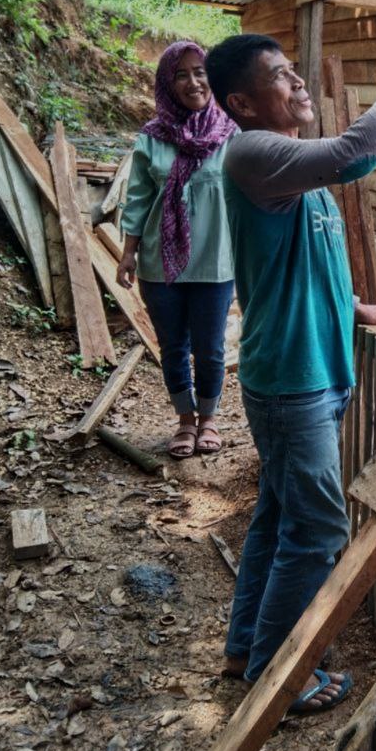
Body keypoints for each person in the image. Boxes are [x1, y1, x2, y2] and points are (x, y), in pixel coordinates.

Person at [204, 10, 376, 711]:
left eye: (293, 70)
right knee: (317, 530)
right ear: (243, 103)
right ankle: (278, 680)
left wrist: (353, 305)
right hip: (292, 381)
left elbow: (307, 258)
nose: (298, 81)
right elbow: (360, 152)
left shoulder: (286, 163)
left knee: (280, 516)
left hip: (310, 370)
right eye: (280, 77)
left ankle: (248, 648)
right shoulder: (253, 154)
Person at [117, 41, 237, 458]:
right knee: (173, 348)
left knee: (211, 349)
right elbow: (137, 199)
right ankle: (185, 420)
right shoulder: (152, 138)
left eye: (200, 72)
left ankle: (209, 419)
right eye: (181, 74)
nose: (193, 82)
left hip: (215, 262)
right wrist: (128, 253)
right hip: (159, 264)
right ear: (168, 83)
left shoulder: (231, 134)